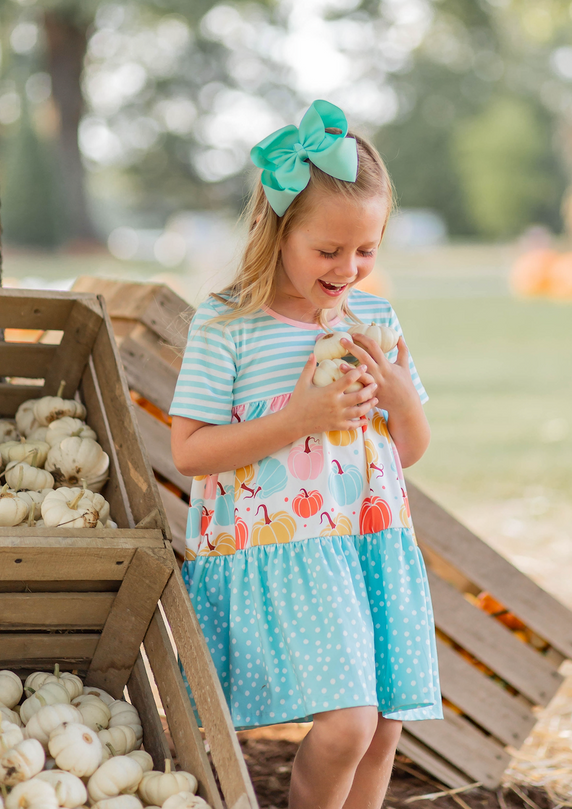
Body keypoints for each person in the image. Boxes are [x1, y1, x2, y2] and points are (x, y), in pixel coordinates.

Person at [170, 99, 442, 809]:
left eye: (367, 249)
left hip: (370, 543)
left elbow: (409, 447)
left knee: (384, 724)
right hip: (283, 548)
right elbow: (190, 451)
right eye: (329, 250)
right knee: (348, 723)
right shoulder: (229, 323)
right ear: (279, 229)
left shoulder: (373, 320)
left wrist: (394, 391)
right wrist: (298, 417)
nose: (349, 267)